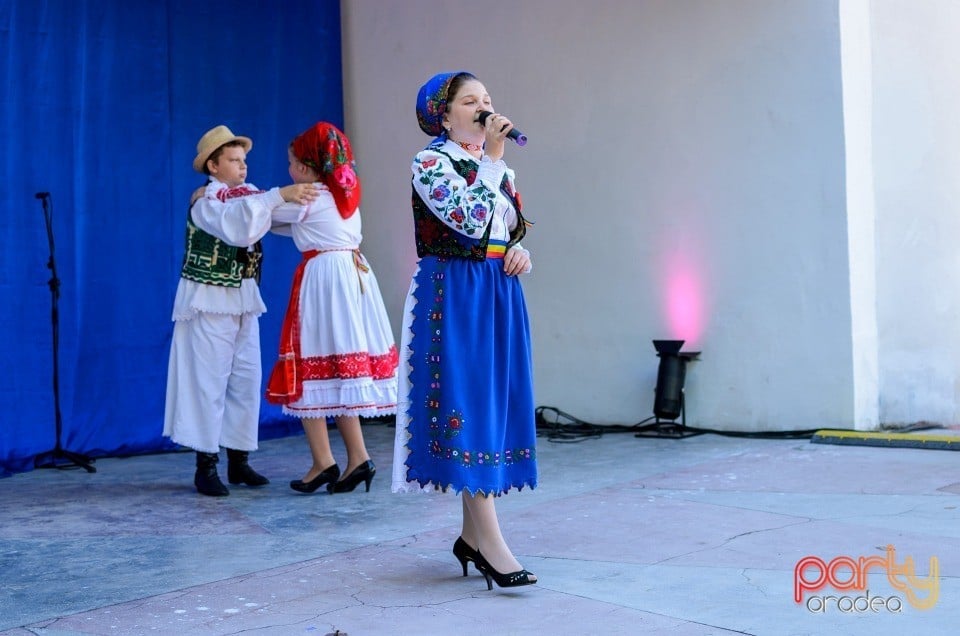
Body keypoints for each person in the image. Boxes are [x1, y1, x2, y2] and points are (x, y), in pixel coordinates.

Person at [391, 72, 538, 590]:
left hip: (497, 290)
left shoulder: (502, 169)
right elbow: (470, 218)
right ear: (444, 114)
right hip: (453, 293)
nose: (483, 108)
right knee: (469, 406)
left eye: (488, 100)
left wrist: (518, 251)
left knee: (493, 406)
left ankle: (470, 539)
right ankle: (493, 545)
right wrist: (492, 161)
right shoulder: (430, 163)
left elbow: (503, 232)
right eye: (470, 101)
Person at [164, 124, 319, 497]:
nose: (242, 166)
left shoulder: (249, 196)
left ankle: (239, 459)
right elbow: (240, 227)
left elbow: (269, 214)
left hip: (242, 299)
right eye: (233, 160)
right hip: (209, 300)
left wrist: (311, 200)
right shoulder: (206, 203)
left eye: (244, 160)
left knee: (245, 378)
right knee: (209, 381)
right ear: (213, 166)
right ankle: (206, 464)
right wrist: (279, 195)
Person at [266, 121, 398, 495]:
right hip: (352, 275)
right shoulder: (342, 192)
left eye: (292, 164)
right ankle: (358, 457)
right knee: (341, 369)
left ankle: (324, 460)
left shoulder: (308, 198)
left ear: (305, 169)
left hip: (326, 280)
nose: (289, 171)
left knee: (313, 364)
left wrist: (272, 196)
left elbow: (264, 218)